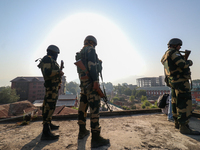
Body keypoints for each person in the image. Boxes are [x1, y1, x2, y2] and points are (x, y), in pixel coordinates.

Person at [75, 35, 110, 148]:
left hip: (84, 85)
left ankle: (82, 131)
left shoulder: (80, 53)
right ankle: (96, 138)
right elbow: (92, 65)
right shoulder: (90, 50)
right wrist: (95, 81)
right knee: (94, 108)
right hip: (91, 85)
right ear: (93, 43)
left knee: (83, 107)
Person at [161, 38, 200, 135]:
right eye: (179, 45)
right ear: (174, 45)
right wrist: (189, 62)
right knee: (184, 103)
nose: (180, 47)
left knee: (175, 102)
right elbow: (182, 64)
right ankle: (184, 127)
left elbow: (172, 64)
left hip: (173, 82)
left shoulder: (166, 54)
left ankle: (177, 123)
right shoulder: (174, 52)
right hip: (181, 82)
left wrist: (181, 57)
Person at [37, 45, 64, 140]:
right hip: (50, 87)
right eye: (56, 54)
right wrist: (58, 72)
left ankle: (48, 124)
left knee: (51, 106)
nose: (57, 56)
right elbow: (47, 72)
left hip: (53, 87)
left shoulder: (51, 60)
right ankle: (46, 132)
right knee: (48, 107)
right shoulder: (47, 59)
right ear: (52, 52)